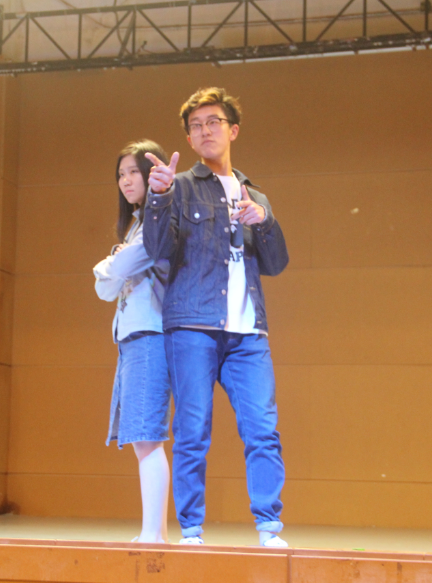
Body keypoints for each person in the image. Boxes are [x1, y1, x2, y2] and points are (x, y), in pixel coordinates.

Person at [142, 88, 290, 547]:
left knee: (263, 430)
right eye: (196, 126)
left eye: (214, 122)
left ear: (233, 130)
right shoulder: (180, 186)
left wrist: (263, 220)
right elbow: (157, 249)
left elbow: (276, 264)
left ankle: (269, 528)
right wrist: (158, 196)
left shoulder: (255, 193)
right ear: (189, 139)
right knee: (192, 431)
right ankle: (191, 531)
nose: (205, 131)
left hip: (248, 332)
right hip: (193, 325)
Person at [94, 139, 172, 544]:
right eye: (120, 174)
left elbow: (121, 266)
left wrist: (111, 261)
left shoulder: (158, 219)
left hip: (149, 334)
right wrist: (116, 261)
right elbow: (104, 290)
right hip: (131, 338)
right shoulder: (136, 225)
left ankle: (153, 535)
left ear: (151, 174)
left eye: (133, 172)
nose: (126, 181)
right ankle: (154, 533)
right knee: (144, 438)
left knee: (147, 437)